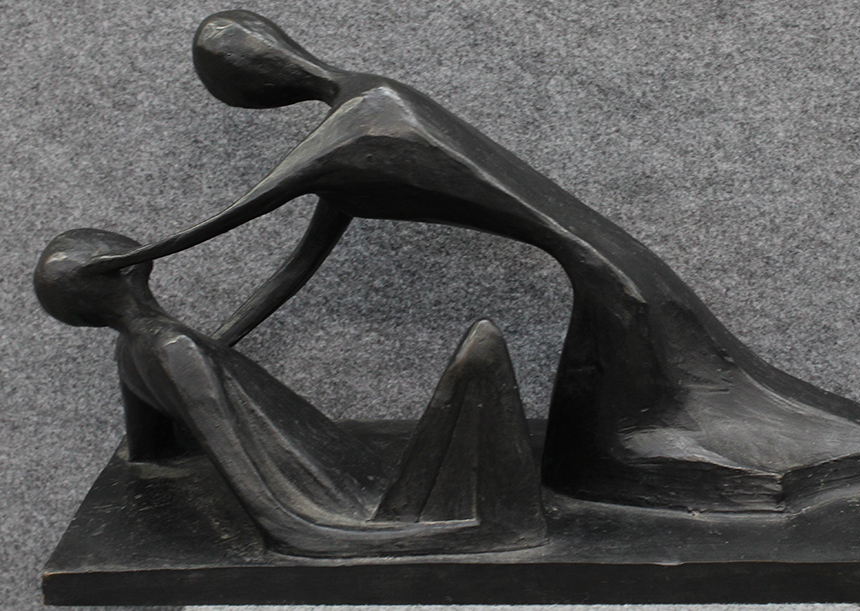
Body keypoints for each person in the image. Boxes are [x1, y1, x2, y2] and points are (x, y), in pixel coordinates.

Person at [88, 11, 860, 511]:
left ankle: (685, 459)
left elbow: (238, 216)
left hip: (613, 276)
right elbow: (298, 261)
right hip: (603, 268)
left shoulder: (365, 113)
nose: (259, 74)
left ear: (264, 67)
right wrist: (223, 337)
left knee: (637, 424)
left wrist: (133, 263)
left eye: (242, 67)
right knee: (609, 413)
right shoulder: (356, 126)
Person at [35, 228, 545, 557]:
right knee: (482, 350)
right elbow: (237, 457)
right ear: (128, 267)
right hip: (351, 503)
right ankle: (509, 523)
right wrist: (296, 525)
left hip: (345, 478)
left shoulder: (130, 351)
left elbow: (150, 451)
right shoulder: (172, 347)